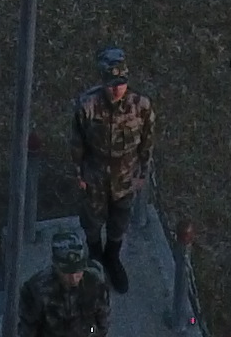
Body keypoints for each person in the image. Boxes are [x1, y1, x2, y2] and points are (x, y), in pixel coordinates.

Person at [68, 46, 157, 294]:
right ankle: (95, 260)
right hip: (95, 175)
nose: (116, 89)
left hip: (125, 176)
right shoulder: (87, 106)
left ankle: (112, 258)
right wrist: (79, 173)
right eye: (110, 84)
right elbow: (77, 142)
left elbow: (147, 142)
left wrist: (142, 174)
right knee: (92, 222)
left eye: (120, 83)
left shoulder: (141, 106)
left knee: (120, 222)